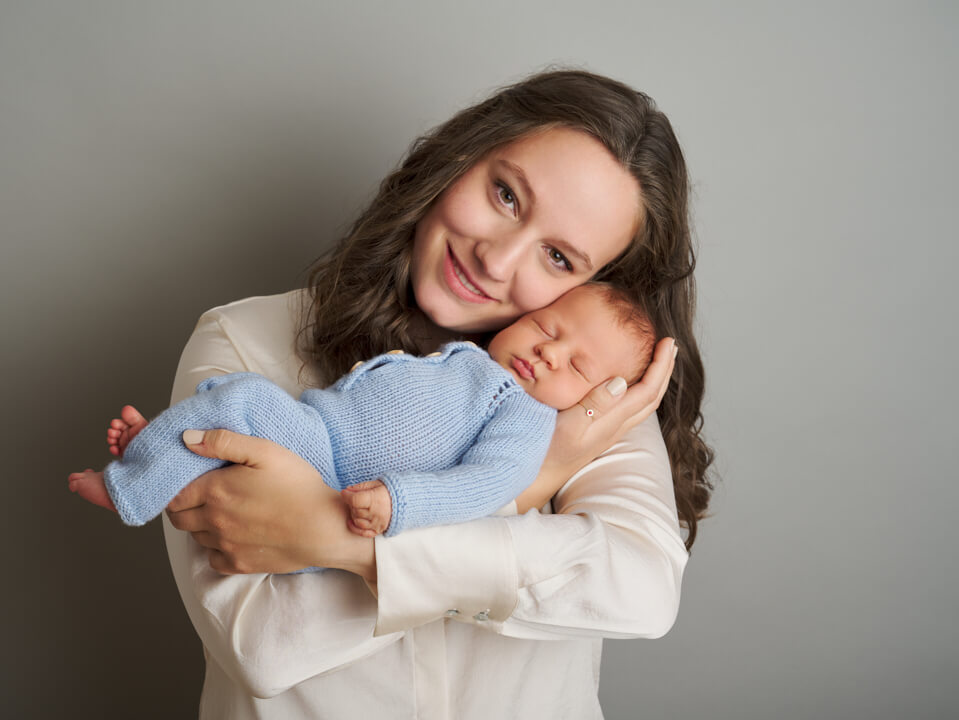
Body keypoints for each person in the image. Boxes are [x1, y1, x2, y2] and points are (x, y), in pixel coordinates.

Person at [158, 70, 713, 718]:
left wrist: (346, 544)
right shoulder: (246, 344)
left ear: (598, 287)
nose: (495, 261)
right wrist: (536, 481)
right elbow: (261, 645)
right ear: (457, 159)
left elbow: (641, 590)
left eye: (559, 258)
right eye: (506, 195)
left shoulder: (586, 393)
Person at [69, 283, 656, 536]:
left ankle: (131, 486)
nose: (549, 353)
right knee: (234, 406)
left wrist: (402, 501)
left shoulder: (525, 417)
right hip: (319, 433)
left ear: (597, 397)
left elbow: (486, 484)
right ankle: (162, 449)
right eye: (546, 327)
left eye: (578, 366)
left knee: (242, 400)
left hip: (338, 474)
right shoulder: (475, 360)